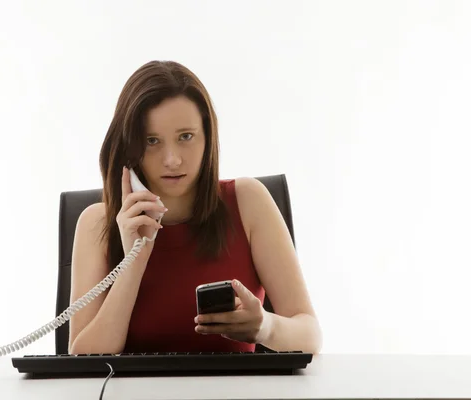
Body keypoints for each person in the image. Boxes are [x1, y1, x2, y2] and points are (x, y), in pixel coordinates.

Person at [68, 60, 322, 355]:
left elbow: (310, 337)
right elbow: (83, 361)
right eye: (152, 141)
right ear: (129, 148)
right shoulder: (96, 223)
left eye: (185, 137)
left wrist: (265, 327)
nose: (172, 159)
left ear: (207, 137)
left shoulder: (249, 202)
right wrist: (133, 260)